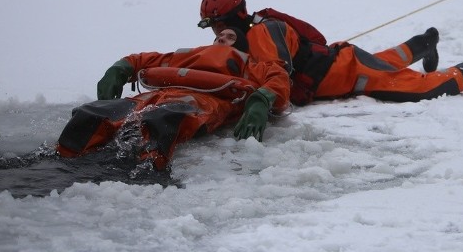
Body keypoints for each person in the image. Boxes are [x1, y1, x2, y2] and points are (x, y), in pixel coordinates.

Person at [197, 0, 463, 109]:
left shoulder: (261, 35)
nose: (215, 33)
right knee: (386, 62)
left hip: (350, 74)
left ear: (228, 20)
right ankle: (424, 43)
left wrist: (260, 103)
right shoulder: (247, 34)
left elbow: (275, 78)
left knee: (428, 87)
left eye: (216, 26)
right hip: (344, 64)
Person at [57, 28, 289, 170]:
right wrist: (120, 68)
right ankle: (62, 159)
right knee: (91, 115)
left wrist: (262, 99)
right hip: (157, 94)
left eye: (230, 37)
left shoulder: (251, 63)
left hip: (205, 100)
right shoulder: (187, 55)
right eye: (219, 35)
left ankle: (147, 167)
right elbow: (144, 59)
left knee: (164, 118)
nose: (222, 39)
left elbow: (278, 80)